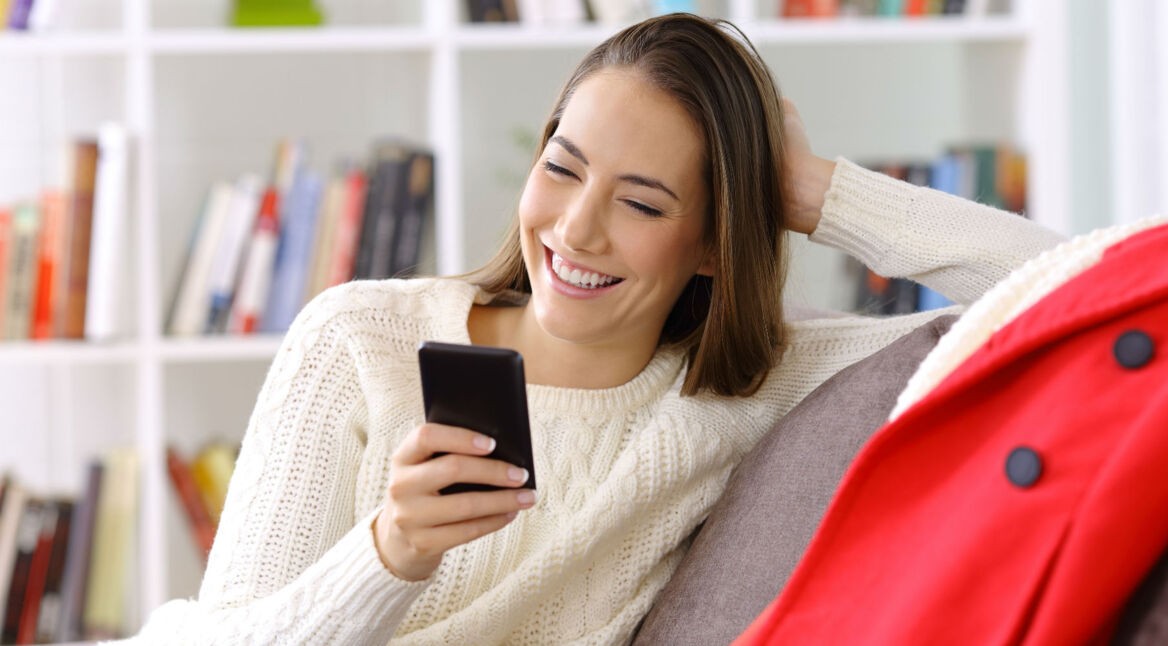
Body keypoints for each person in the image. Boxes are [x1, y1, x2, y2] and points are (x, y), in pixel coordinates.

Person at [133, 12, 1065, 645]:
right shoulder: (361, 338)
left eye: (643, 203)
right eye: (563, 167)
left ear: (713, 244)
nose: (575, 230)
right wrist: (390, 555)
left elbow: (1084, 286)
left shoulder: (752, 383)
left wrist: (812, 190)